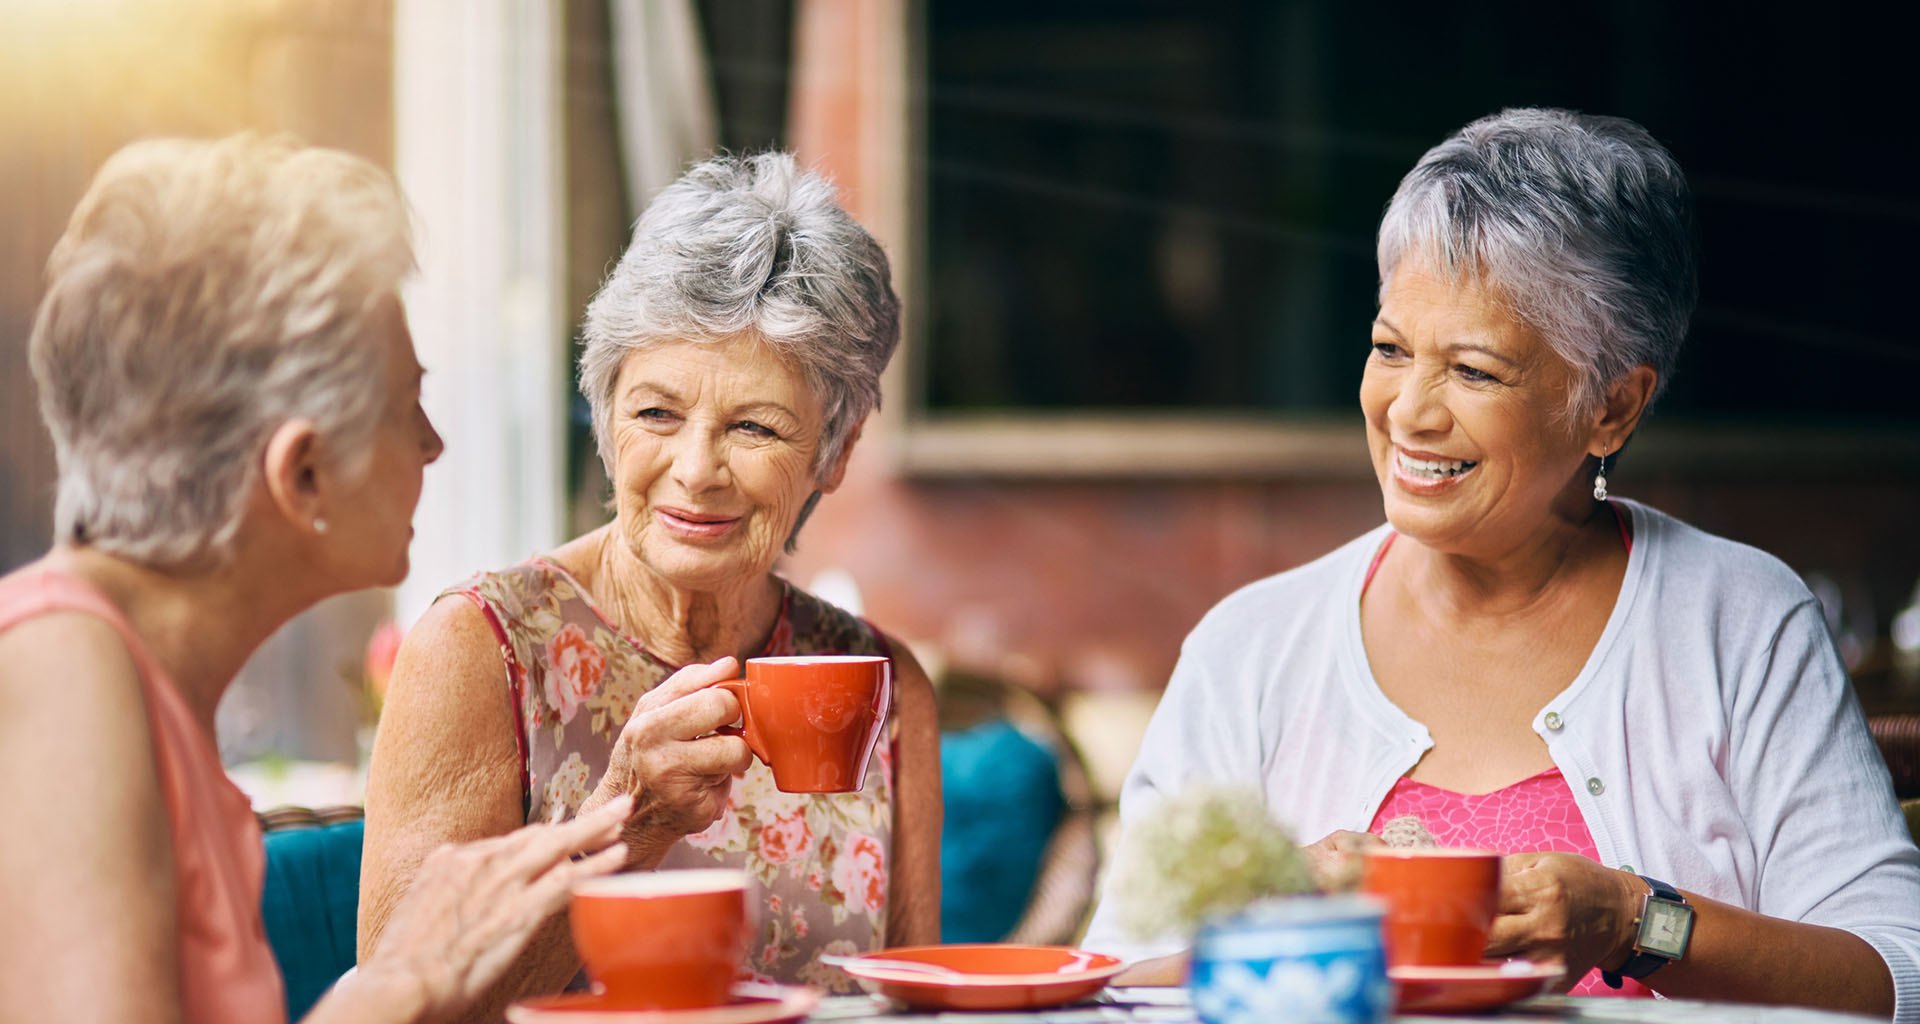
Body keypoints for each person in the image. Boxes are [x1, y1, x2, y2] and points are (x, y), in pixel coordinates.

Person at [1081, 108, 1920, 1019]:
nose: (1409, 412)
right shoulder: (1250, 648)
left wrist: (1634, 920)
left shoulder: (1743, 621)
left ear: (1611, 408)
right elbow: (1115, 982)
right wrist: (1274, 922)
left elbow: (1894, 978)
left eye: (1474, 372)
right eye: (1390, 350)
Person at [0, 135, 635, 1024]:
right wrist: (400, 983)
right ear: (301, 475)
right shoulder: (64, 676)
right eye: (405, 399)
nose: (432, 443)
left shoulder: (134, 696)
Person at [358, 152, 941, 1017]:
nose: (696, 471)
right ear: (606, 414)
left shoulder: (883, 688)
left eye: (754, 426)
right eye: (657, 414)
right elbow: (404, 1015)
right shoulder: (480, 649)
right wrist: (627, 823)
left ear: (835, 453)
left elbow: (914, 1004)